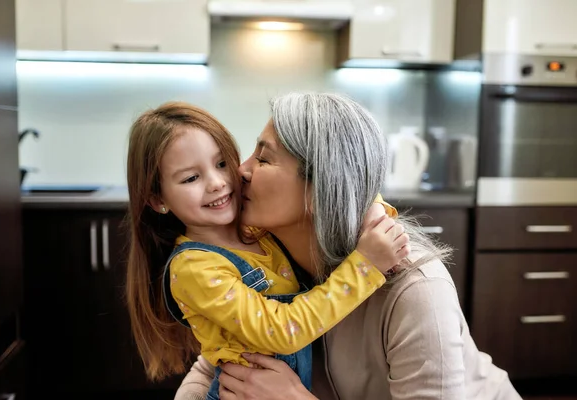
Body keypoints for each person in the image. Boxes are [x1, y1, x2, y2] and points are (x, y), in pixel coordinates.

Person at [174, 93, 521, 400]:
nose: (240, 171)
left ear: (321, 186)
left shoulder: (416, 288)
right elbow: (210, 367)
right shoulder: (267, 258)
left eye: (263, 159)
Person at [124, 102, 411, 400]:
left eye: (222, 163)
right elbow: (283, 330)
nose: (217, 183)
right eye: (191, 178)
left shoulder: (257, 231)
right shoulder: (194, 268)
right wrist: (366, 265)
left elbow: (343, 185)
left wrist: (374, 213)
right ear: (158, 199)